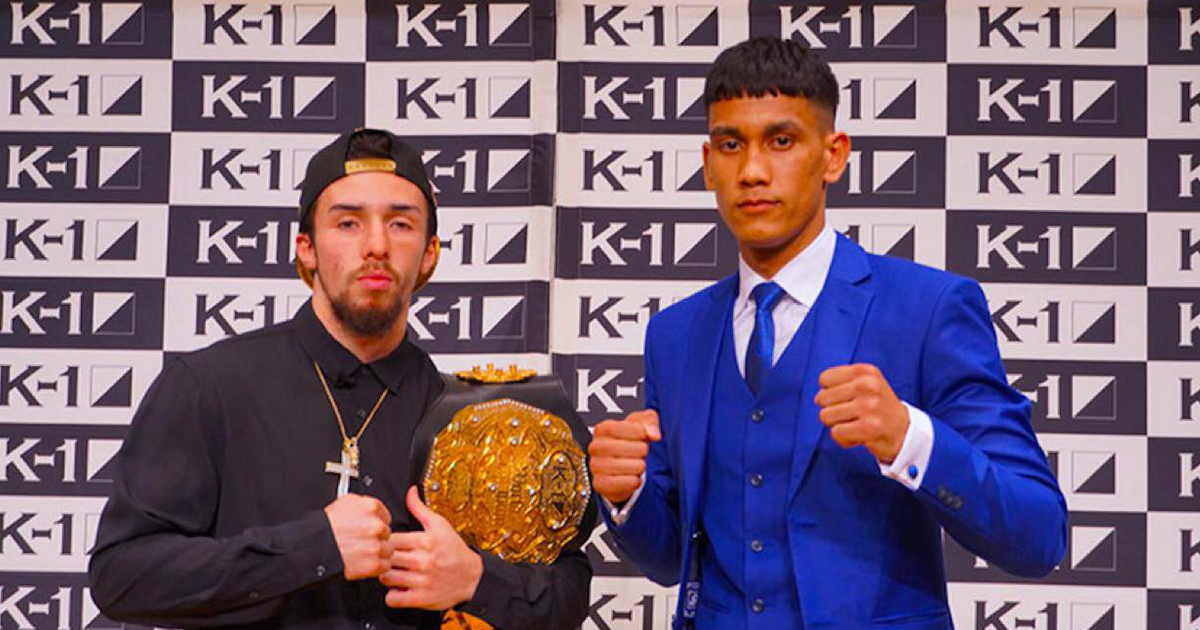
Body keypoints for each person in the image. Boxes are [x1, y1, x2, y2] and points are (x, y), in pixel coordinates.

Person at [587, 38, 1067, 630]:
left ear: (833, 156)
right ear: (708, 164)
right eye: (732, 145)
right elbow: (669, 560)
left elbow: (1039, 537)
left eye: (781, 141)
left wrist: (911, 440)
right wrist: (626, 495)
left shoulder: (930, 309)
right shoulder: (676, 334)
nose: (753, 171)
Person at [88, 128, 593, 629]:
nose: (376, 245)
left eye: (401, 224)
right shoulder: (209, 387)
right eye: (348, 223)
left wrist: (477, 581)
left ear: (429, 253)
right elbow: (122, 578)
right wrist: (313, 548)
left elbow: (567, 589)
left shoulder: (471, 416)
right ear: (306, 248)